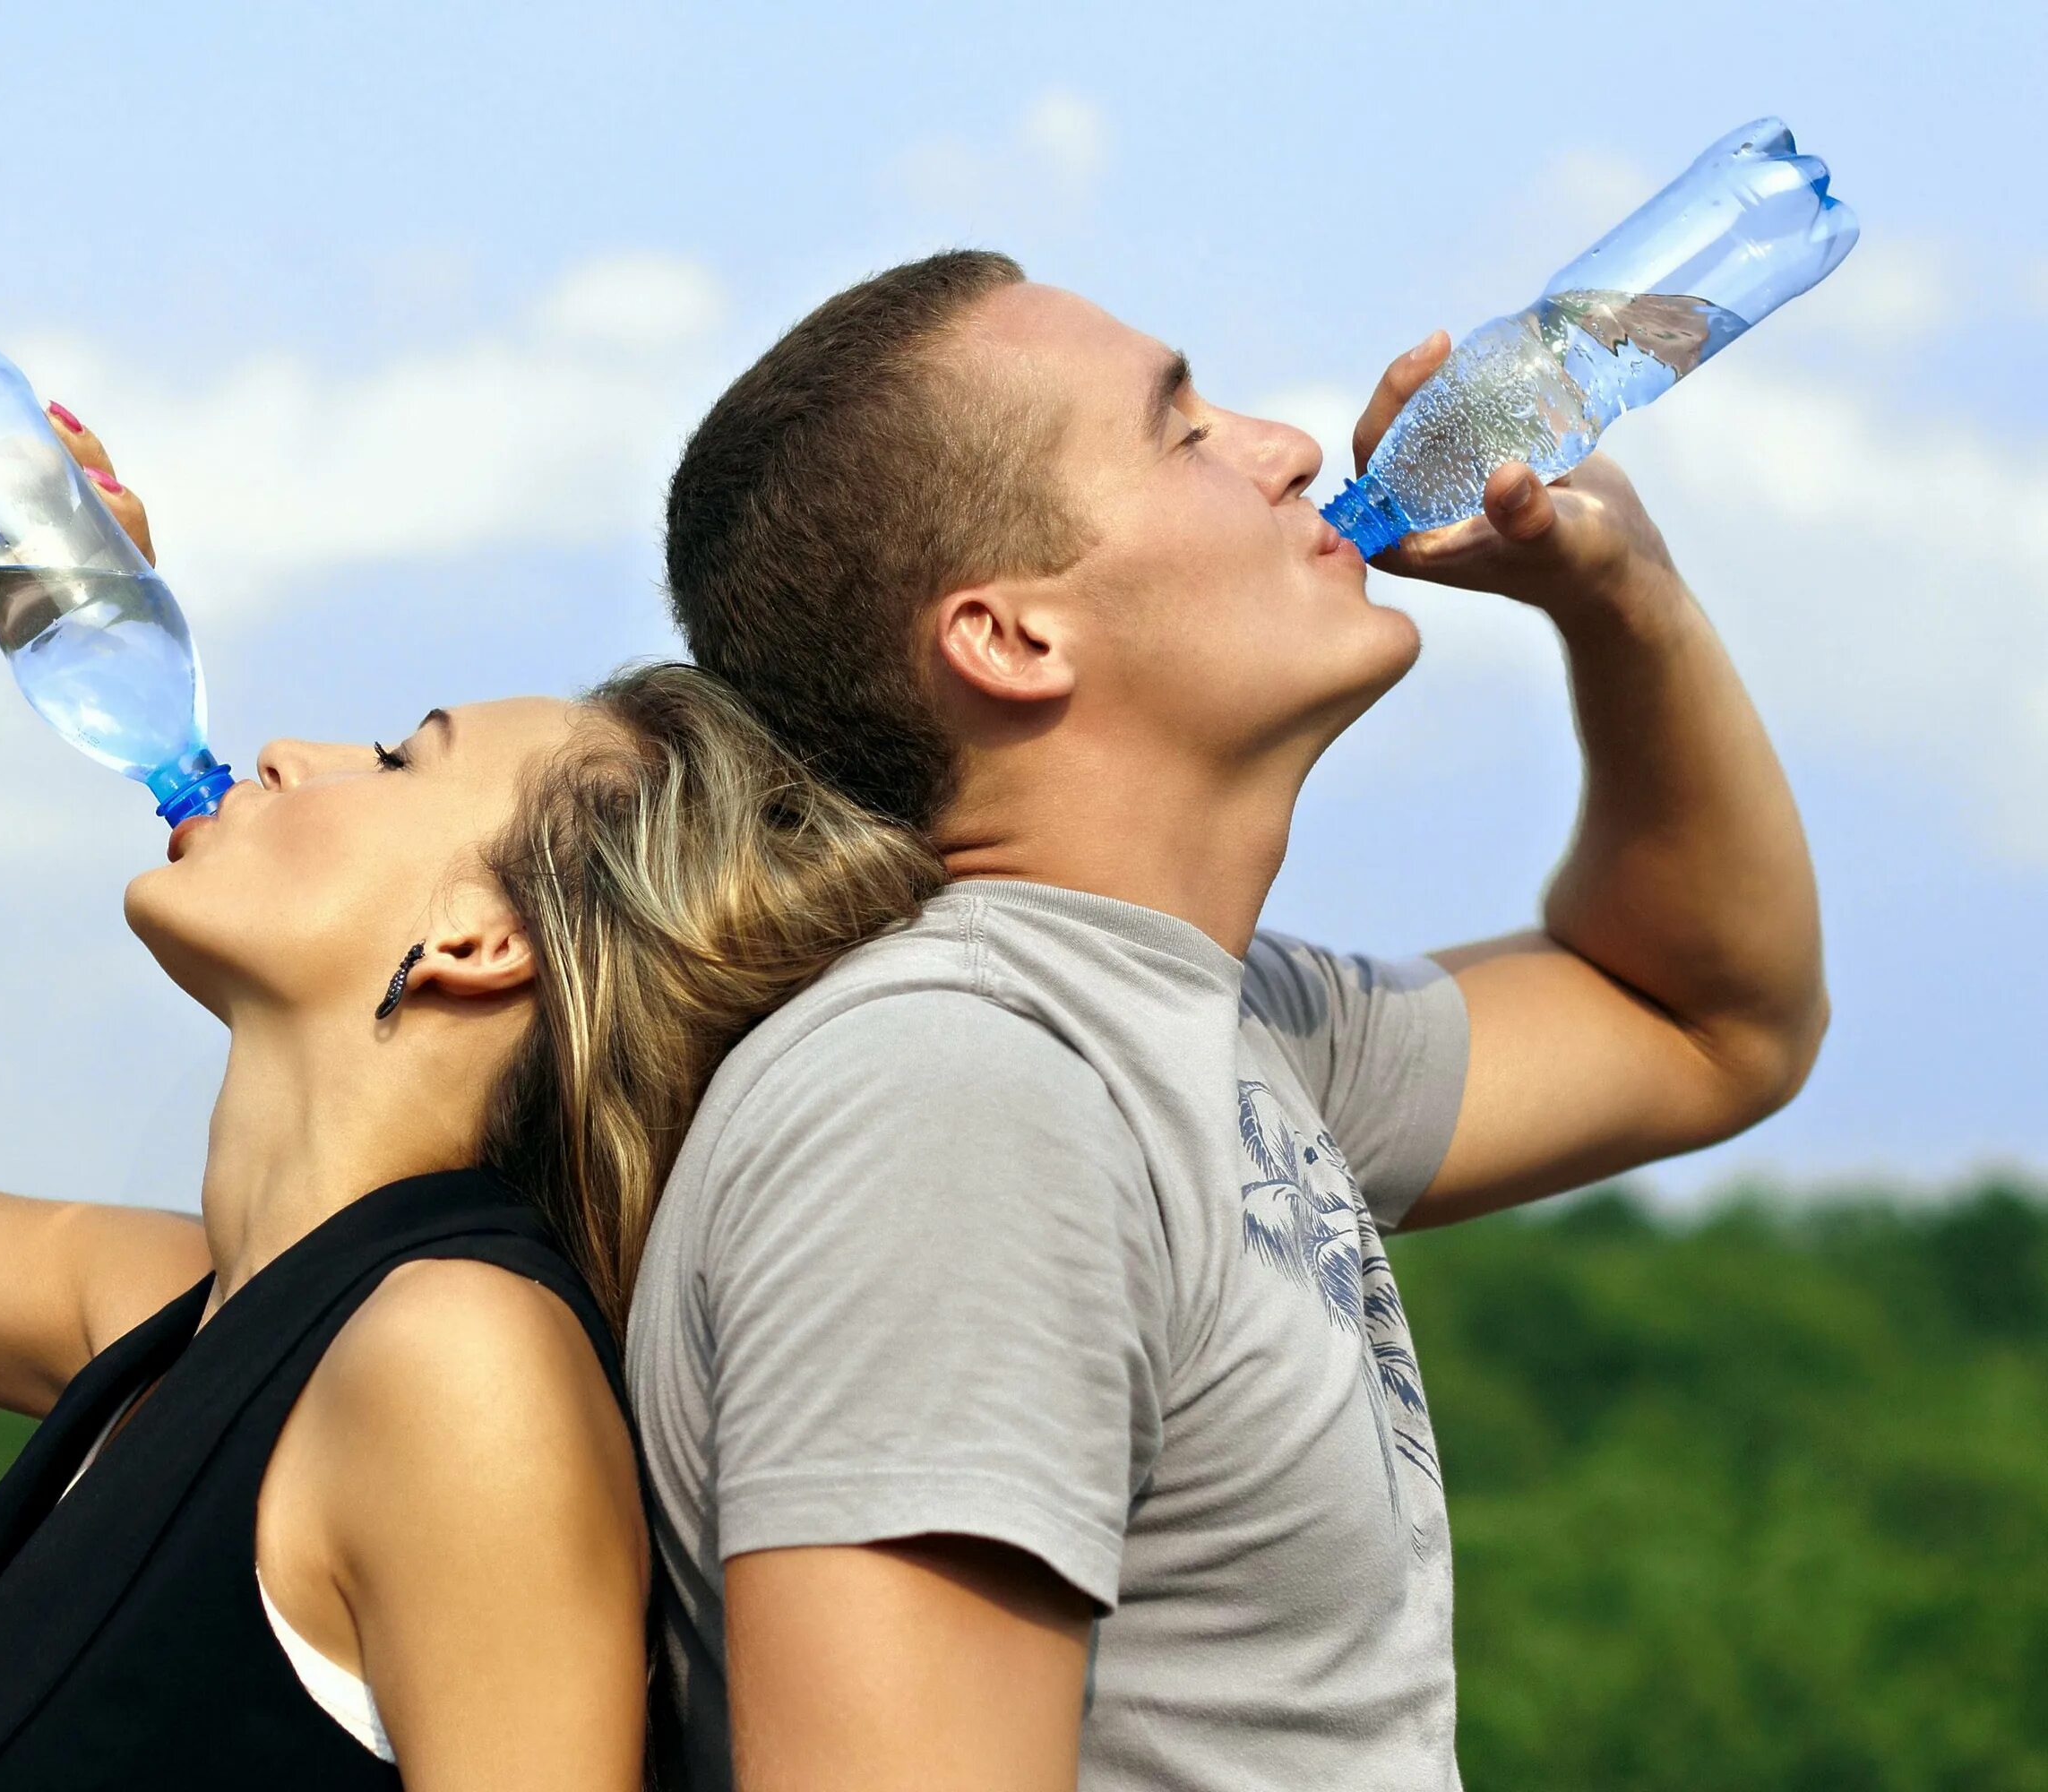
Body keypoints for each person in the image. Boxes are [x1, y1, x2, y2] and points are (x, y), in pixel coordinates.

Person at [0, 406, 942, 1789]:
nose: (288, 751)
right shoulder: (170, 1318)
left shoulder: (459, 1366)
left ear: (478, 941)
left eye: (403, 757)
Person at [629, 250, 1832, 1790]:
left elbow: (1707, 1020)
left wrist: (1623, 601)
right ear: (1009, 639)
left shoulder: (1207, 1027)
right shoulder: (955, 1102)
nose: (1294, 450)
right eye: (1183, 429)